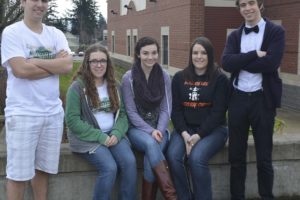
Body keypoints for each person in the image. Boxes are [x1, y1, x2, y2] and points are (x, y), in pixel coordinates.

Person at [0, 0, 73, 199]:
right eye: (35, 0)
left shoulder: (56, 34)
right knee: (17, 176)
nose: (40, 4)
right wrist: (53, 64)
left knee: (43, 171)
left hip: (52, 114)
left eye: (44, 0)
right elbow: (21, 70)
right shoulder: (12, 32)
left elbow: (67, 67)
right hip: (23, 114)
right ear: (23, 2)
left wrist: (36, 62)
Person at [221, 0, 285, 199]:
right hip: (238, 100)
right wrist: (254, 55)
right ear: (239, 9)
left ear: (260, 5)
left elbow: (271, 63)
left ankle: (266, 196)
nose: (247, 8)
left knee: (264, 158)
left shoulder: (275, 31)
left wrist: (240, 60)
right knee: (236, 157)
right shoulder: (235, 35)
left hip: (263, 101)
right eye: (243, 5)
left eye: (251, 3)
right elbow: (225, 63)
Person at [65, 44, 137, 200]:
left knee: (130, 162)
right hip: (89, 138)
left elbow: (123, 114)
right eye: (94, 61)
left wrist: (117, 133)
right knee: (110, 167)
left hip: (112, 135)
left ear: (108, 63)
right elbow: (72, 120)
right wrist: (100, 136)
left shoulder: (114, 85)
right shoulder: (77, 88)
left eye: (103, 61)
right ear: (87, 64)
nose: (99, 65)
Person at [167, 37, 229, 200]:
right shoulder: (179, 77)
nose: (199, 56)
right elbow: (176, 110)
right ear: (190, 55)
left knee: (196, 158)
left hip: (213, 131)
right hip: (185, 130)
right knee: (173, 157)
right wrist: (186, 135)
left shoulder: (220, 79)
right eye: (195, 52)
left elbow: (218, 113)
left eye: (203, 53)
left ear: (210, 55)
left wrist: (198, 136)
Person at [121, 36, 177, 200]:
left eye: (154, 53)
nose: (150, 57)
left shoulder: (164, 76)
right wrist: (151, 131)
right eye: (145, 53)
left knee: (149, 160)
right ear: (138, 54)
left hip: (160, 128)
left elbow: (167, 108)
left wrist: (159, 130)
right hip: (137, 129)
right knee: (151, 143)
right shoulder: (128, 78)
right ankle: (171, 195)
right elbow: (131, 112)